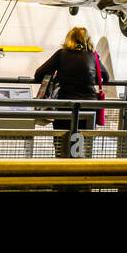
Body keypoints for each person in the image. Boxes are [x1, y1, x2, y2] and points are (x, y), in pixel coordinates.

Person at [34, 26, 110, 158]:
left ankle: (62, 165)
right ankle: (79, 168)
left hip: (65, 107)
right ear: (88, 40)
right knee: (81, 146)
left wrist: (57, 75)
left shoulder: (61, 54)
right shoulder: (93, 56)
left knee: (62, 142)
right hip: (88, 110)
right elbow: (106, 77)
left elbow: (38, 74)